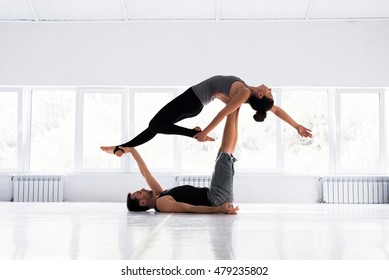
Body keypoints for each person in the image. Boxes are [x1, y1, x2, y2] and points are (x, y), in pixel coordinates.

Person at [101, 75, 289, 157]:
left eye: (270, 92)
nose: (270, 88)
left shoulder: (245, 94)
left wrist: (203, 132)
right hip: (193, 102)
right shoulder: (246, 91)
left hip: (192, 100)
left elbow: (224, 112)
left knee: (156, 124)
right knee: (156, 126)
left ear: (261, 95)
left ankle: (191, 133)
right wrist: (297, 126)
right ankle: (122, 148)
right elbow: (277, 110)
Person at [124, 107, 243, 214]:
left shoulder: (159, 195)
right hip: (215, 198)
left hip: (217, 197)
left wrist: (132, 150)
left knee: (227, 153)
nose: (143, 189)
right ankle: (234, 102)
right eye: (140, 193)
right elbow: (189, 208)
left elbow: (145, 173)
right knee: (224, 154)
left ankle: (236, 105)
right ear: (142, 203)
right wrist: (219, 209)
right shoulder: (161, 204)